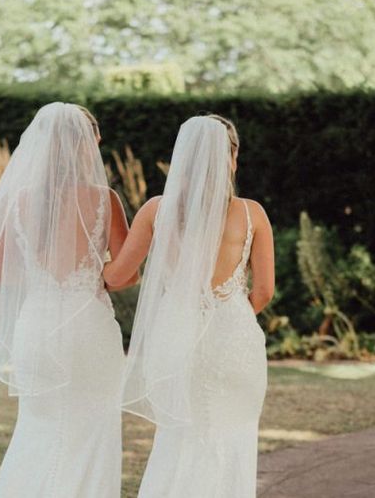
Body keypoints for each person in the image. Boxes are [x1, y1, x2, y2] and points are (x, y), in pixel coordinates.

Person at [103, 114, 275, 498]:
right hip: (234, 340)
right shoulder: (253, 214)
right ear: (231, 157)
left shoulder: (155, 211)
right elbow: (264, 292)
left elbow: (117, 276)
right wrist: (228, 317)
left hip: (177, 337)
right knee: (232, 440)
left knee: (180, 438)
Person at [0, 102, 136, 498]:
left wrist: (46, 275)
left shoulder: (21, 200)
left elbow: (2, 274)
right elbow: (127, 273)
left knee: (38, 431)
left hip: (38, 329)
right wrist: (91, 278)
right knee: (92, 433)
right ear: (86, 145)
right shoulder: (105, 200)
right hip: (89, 331)